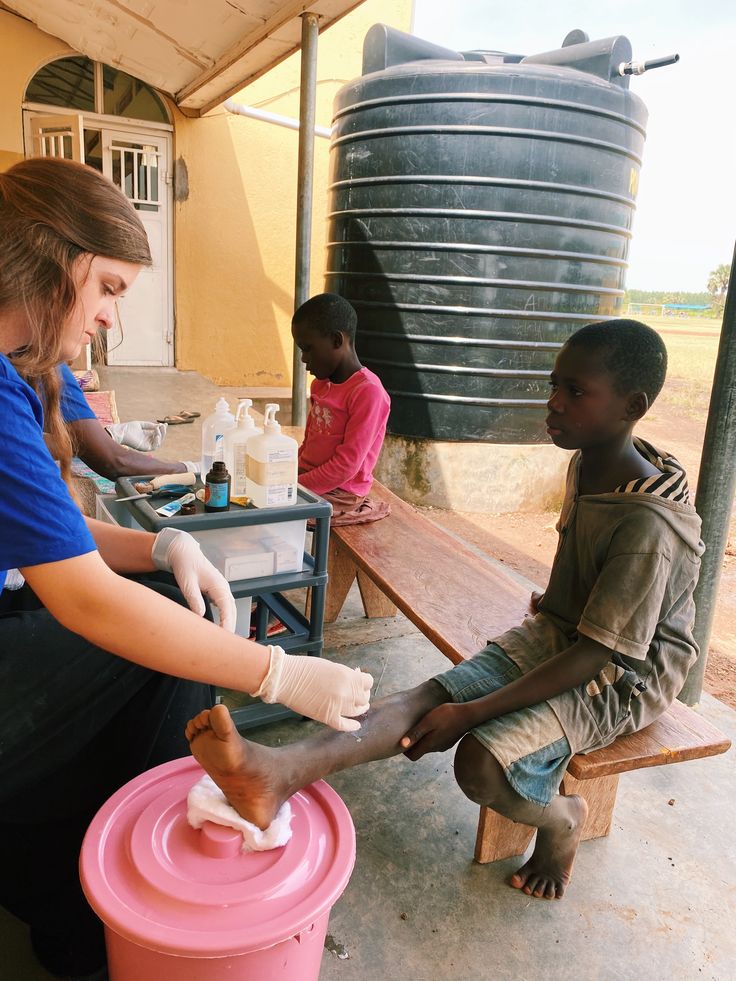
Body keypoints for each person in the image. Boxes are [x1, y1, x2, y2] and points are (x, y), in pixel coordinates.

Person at [0, 157, 372, 981]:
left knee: (173, 604)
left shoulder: (18, 375)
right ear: (44, 259)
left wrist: (165, 545)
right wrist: (277, 671)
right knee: (156, 642)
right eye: (107, 288)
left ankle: (77, 887)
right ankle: (141, 876)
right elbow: (87, 601)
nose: (108, 317)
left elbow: (50, 534)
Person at [186, 318, 703, 902]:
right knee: (425, 698)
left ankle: (563, 820)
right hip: (570, 632)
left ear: (633, 406)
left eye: (576, 391)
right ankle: (280, 772)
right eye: (554, 385)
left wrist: (474, 711)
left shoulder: (647, 526)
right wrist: (554, 607)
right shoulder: (589, 460)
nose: (554, 402)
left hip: (623, 674)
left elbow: (598, 654)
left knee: (479, 761)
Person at [292, 292, 391, 525]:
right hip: (308, 479)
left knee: (269, 512)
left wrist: (293, 486)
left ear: (337, 341)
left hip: (342, 492)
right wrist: (286, 471)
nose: (304, 359)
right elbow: (309, 444)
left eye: (308, 349)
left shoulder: (368, 392)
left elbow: (346, 466)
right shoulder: (320, 384)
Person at [56, 360, 197, 479]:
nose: (88, 340)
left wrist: (110, 435)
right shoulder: (56, 374)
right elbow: (116, 462)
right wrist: (187, 469)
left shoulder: (53, 369)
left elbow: (44, 446)